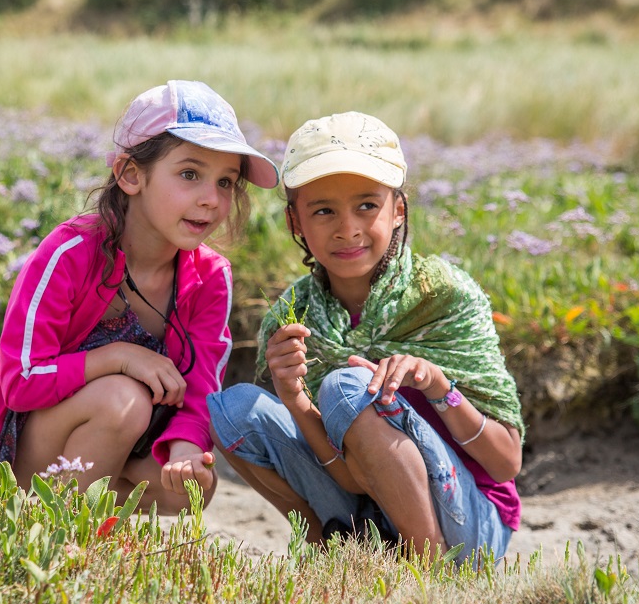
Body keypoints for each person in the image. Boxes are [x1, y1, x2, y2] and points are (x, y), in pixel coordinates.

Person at [208, 112, 524, 563]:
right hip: (369, 506)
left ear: (398, 210)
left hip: (471, 523)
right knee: (233, 410)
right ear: (295, 222)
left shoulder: (444, 296)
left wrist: (438, 386)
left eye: (367, 206)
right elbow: (350, 478)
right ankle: (329, 549)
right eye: (323, 211)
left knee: (346, 386)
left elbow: (506, 462)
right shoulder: (293, 318)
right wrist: (294, 399)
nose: (348, 229)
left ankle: (431, 570)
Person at [0, 80, 279, 513]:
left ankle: (84, 515)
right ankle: (55, 528)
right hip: (19, 457)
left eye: (225, 182)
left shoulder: (211, 277)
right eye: (190, 174)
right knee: (122, 400)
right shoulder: (70, 253)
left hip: (118, 441)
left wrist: (186, 448)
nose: (211, 199)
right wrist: (119, 357)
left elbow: (201, 388)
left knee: (189, 490)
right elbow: (20, 381)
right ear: (131, 175)